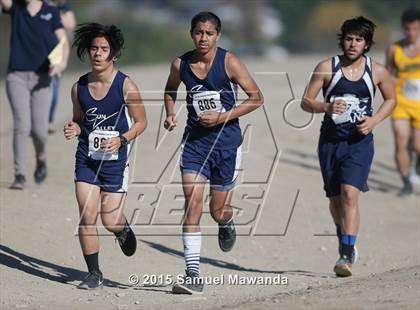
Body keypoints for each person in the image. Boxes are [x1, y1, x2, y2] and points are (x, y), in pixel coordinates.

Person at [163, 11, 264, 294]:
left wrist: (222, 117)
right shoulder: (180, 63)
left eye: (209, 33)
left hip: (227, 145)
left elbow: (257, 97)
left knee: (217, 210)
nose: (203, 38)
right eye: (198, 32)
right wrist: (171, 114)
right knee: (192, 203)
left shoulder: (229, 62)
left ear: (218, 35)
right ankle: (193, 274)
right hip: (194, 144)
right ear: (191, 34)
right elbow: (170, 89)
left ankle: (226, 221)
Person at [301, 16, 395, 277]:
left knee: (350, 194)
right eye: (349, 38)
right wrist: (326, 106)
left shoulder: (376, 71)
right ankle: (345, 237)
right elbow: (306, 101)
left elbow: (391, 99)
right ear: (342, 40)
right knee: (335, 199)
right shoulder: (326, 67)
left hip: (359, 142)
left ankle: (345, 254)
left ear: (367, 44)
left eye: (359, 39)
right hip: (330, 141)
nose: (353, 44)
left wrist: (374, 120)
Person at [63, 23, 147, 289]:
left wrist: (121, 139)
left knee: (109, 219)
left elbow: (141, 122)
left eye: (104, 49)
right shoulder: (79, 88)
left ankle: (121, 229)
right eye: (94, 49)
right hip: (87, 160)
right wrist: (74, 127)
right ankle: (94, 273)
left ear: (114, 54)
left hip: (115, 161)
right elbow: (78, 120)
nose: (98, 54)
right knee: (87, 215)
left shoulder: (126, 86)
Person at [1, 0, 69, 190]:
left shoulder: (51, 11)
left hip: (43, 79)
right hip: (17, 77)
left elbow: (63, 43)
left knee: (39, 130)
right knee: (21, 125)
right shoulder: (16, 8)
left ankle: (41, 156)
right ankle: (19, 174)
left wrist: (61, 65)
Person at [386, 7, 420, 197]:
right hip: (401, 102)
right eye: (407, 29)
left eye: (415, 29)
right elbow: (388, 74)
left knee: (417, 145)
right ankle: (406, 182)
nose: (411, 33)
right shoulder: (394, 49)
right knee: (400, 140)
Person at [47, 0, 76, 134]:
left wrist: (52, 13)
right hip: (38, 49)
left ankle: (49, 120)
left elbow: (71, 24)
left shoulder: (64, 6)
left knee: (53, 86)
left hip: (57, 51)